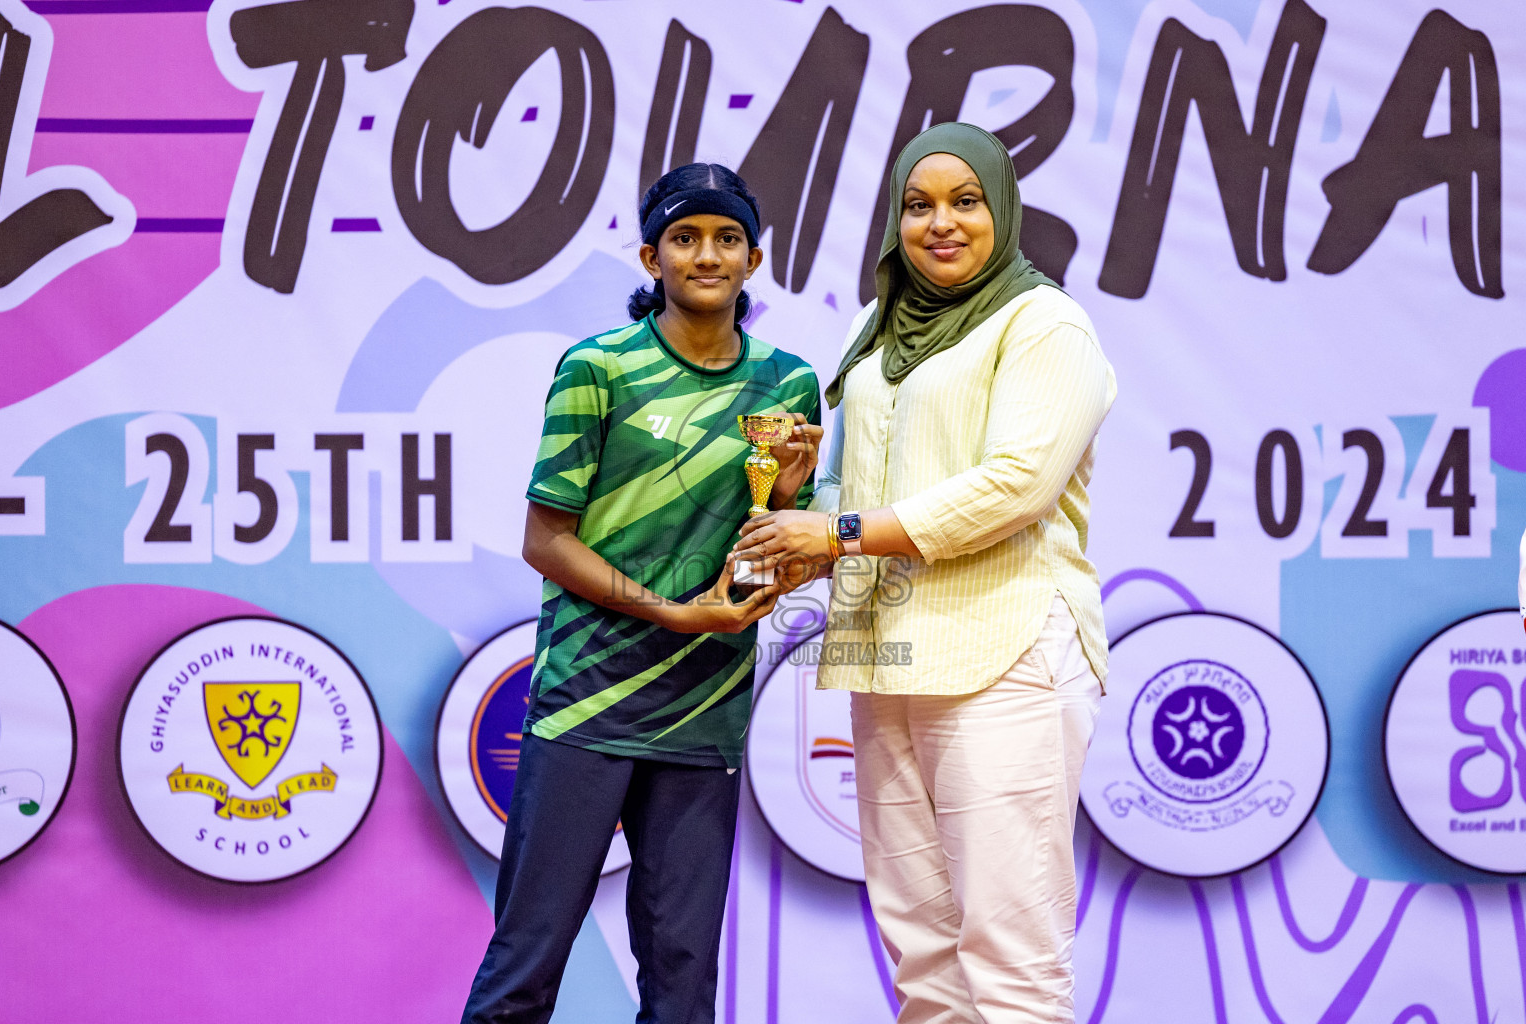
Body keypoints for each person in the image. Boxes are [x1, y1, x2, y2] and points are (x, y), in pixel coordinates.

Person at [733, 123, 1116, 1023]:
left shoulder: (1043, 322)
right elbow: (855, 488)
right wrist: (802, 497)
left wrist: (837, 533)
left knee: (1013, 961)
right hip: (886, 657)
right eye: (918, 206)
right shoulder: (880, 322)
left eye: (965, 202)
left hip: (1005, 651)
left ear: (1003, 208)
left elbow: (1015, 488)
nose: (940, 224)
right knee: (923, 959)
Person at [461, 163, 822, 1024]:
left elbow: (772, 566)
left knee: (684, 978)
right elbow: (544, 540)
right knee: (526, 965)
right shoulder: (598, 368)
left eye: (726, 238)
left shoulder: (790, 385)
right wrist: (669, 612)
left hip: (706, 710)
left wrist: (786, 498)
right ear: (650, 257)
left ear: (755, 257)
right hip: (587, 704)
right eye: (686, 238)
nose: (707, 255)